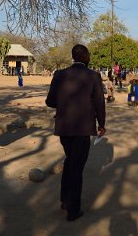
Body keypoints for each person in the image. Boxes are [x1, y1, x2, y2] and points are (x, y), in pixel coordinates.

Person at [45, 44, 106, 222]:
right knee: (76, 167)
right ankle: (73, 210)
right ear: (85, 56)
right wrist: (101, 124)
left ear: (73, 57)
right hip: (82, 128)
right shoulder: (93, 76)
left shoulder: (60, 74)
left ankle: (65, 200)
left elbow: (50, 101)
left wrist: (64, 105)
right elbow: (99, 102)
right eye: (88, 55)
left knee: (70, 161)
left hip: (64, 127)